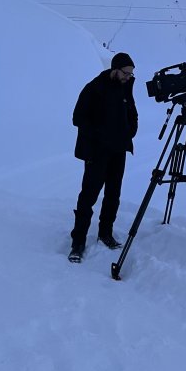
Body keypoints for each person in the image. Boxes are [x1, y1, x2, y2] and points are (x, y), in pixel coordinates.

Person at [68, 53, 138, 263]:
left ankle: (105, 233)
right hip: (97, 152)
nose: (128, 76)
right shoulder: (94, 88)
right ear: (115, 69)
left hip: (118, 151)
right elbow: (77, 117)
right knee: (88, 197)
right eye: (126, 72)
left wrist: (130, 131)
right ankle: (78, 242)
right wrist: (99, 135)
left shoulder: (126, 87)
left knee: (113, 195)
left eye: (131, 73)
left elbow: (132, 113)